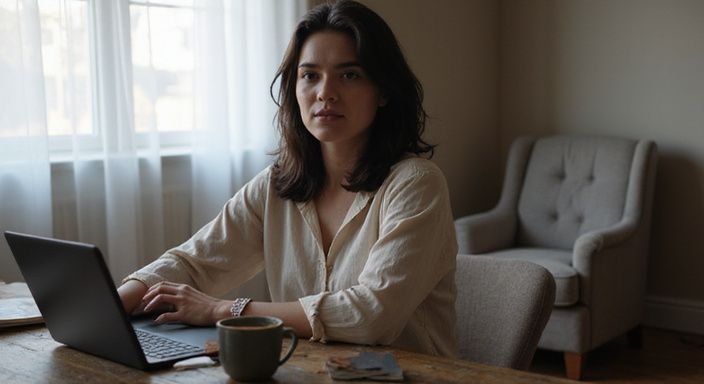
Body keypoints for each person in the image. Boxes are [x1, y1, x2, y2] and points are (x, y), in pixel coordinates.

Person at [118, 0, 458, 357]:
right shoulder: (276, 186)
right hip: (307, 372)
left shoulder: (417, 185)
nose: (325, 92)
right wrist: (115, 303)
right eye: (310, 75)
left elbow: (372, 315)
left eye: (349, 74)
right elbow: (195, 261)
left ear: (384, 90)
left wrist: (225, 310)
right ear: (294, 90)